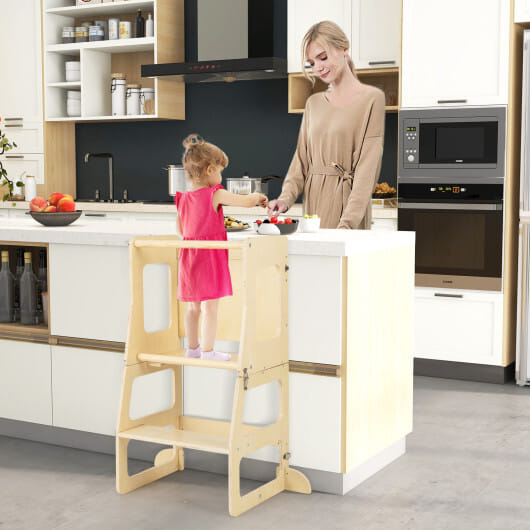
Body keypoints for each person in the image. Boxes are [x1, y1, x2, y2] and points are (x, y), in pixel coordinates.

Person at [267, 20, 385, 229]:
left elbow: (367, 169)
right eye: (311, 63)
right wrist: (285, 199)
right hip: (313, 209)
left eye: (323, 57)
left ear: (344, 48)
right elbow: (300, 161)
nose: (318, 68)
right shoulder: (313, 103)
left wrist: (347, 225)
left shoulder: (372, 99)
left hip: (348, 208)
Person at [175, 134, 268, 361]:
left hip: (189, 258)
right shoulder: (214, 193)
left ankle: (193, 349)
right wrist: (258, 196)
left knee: (193, 308)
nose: (220, 177)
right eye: (220, 171)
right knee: (211, 308)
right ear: (209, 170)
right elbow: (244, 201)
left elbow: (181, 229)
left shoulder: (183, 198)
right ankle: (208, 351)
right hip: (209, 257)